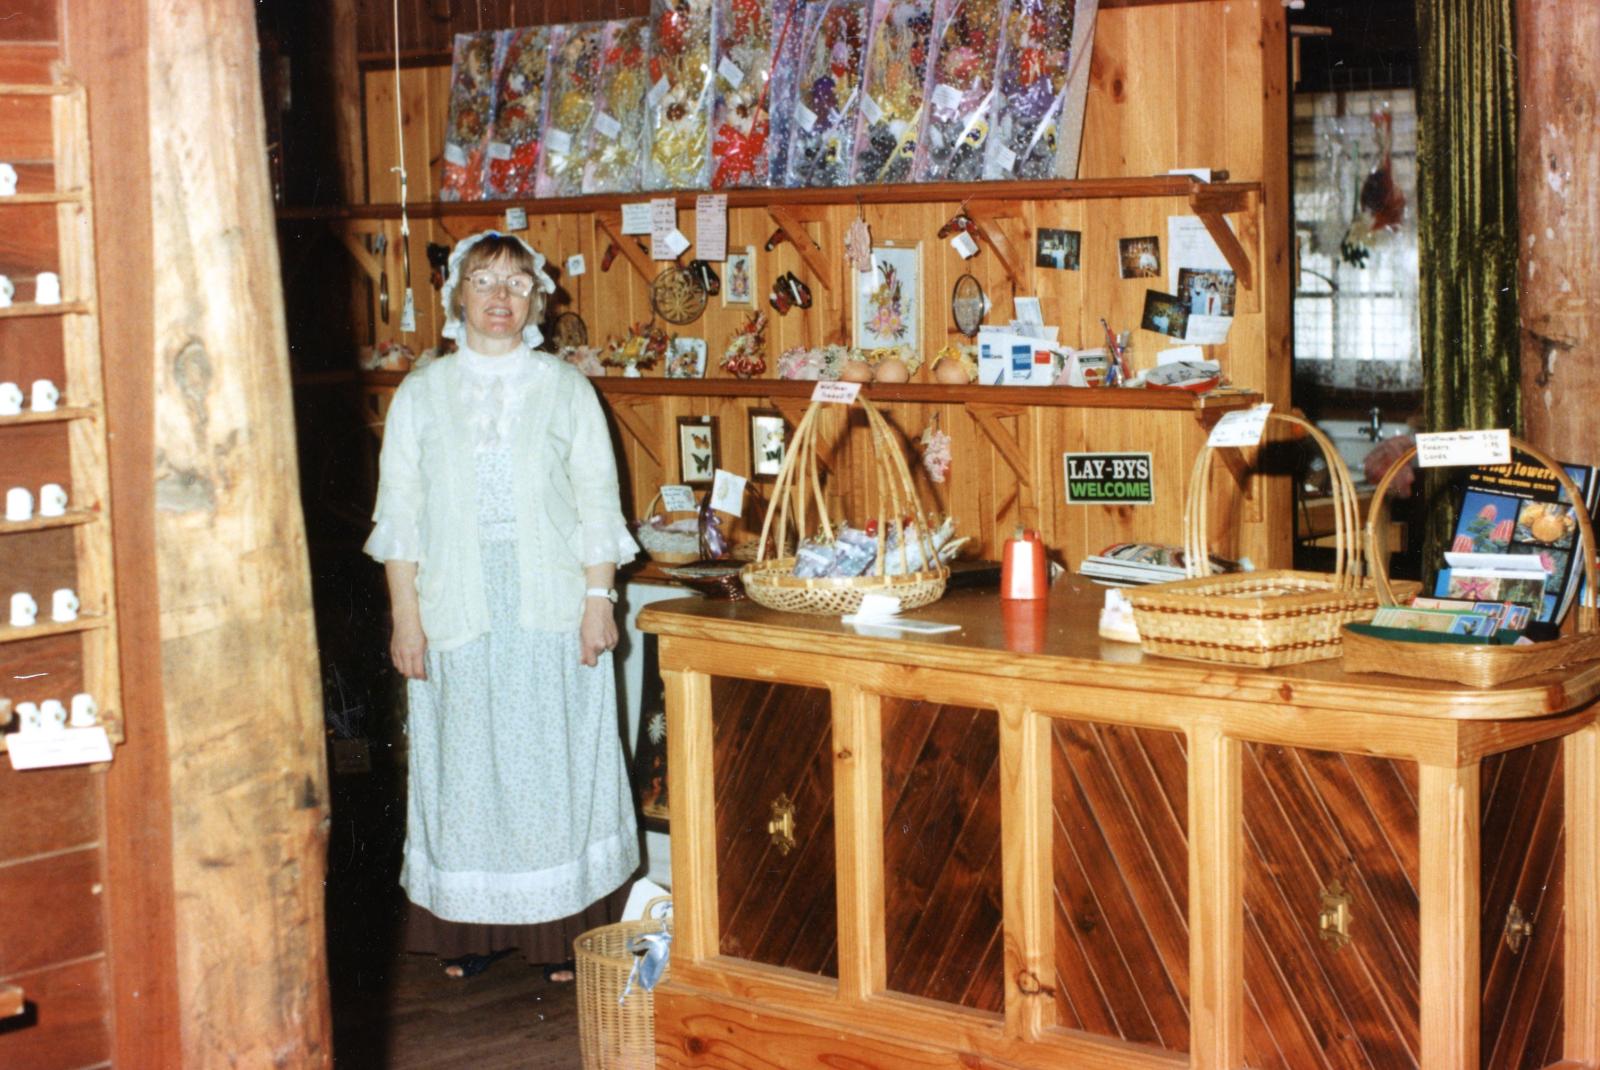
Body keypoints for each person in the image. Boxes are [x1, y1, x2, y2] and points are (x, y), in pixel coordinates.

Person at [365, 230, 641, 982]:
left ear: (536, 301)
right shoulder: (422, 394)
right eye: (484, 282)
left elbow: (596, 502)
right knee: (467, 767)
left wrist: (597, 600)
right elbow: (400, 519)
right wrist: (406, 618)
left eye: (516, 285)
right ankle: (472, 934)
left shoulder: (565, 388)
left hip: (550, 604)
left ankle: (566, 936)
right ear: (458, 296)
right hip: (456, 607)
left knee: (552, 764)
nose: (499, 298)